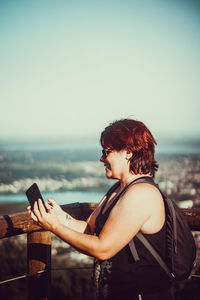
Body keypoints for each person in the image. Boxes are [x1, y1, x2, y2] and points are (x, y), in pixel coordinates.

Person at [28, 119, 173, 300]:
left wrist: (55, 227)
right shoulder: (119, 189)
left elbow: (103, 249)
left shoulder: (141, 194)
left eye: (106, 152)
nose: (102, 158)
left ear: (127, 152)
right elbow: (90, 229)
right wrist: (61, 218)